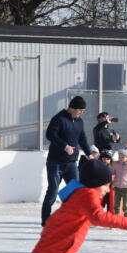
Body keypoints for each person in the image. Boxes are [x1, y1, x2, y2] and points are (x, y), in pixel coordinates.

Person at [41, 96, 93, 225]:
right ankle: (46, 220)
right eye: (80, 110)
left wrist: (89, 154)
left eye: (83, 110)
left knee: (76, 192)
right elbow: (50, 134)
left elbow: (82, 139)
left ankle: (73, 218)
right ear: (72, 108)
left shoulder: (80, 121)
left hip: (71, 164)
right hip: (55, 163)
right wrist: (65, 146)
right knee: (52, 192)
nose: (81, 112)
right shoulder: (59, 118)